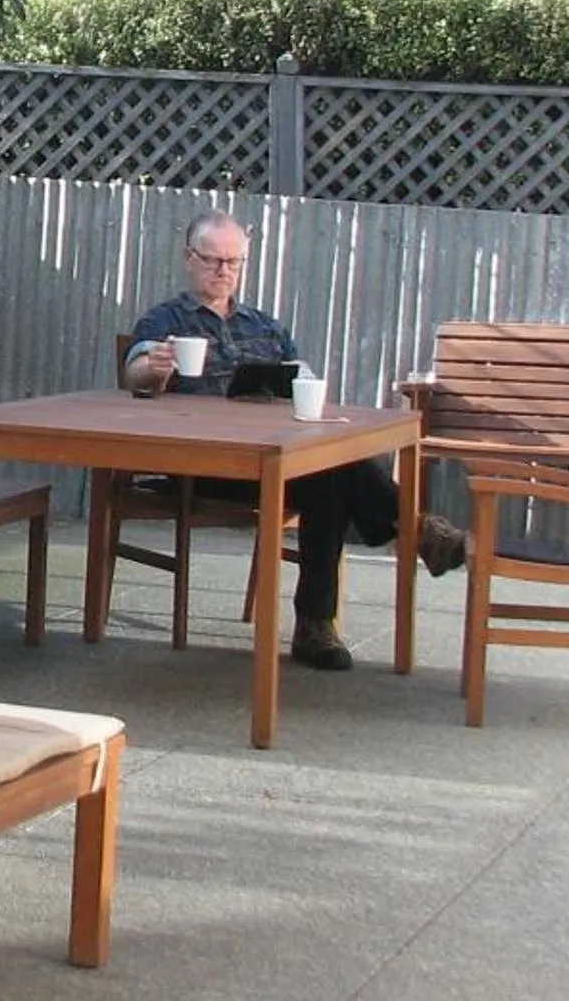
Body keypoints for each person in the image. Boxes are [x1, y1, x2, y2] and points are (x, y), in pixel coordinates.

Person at [122, 208, 467, 671]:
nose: (224, 271)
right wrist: (153, 369)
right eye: (213, 260)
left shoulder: (264, 326)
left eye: (234, 261)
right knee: (334, 477)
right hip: (206, 464)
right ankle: (412, 533)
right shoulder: (164, 319)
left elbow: (302, 379)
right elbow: (135, 371)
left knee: (331, 473)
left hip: (276, 457)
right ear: (190, 258)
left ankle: (317, 625)